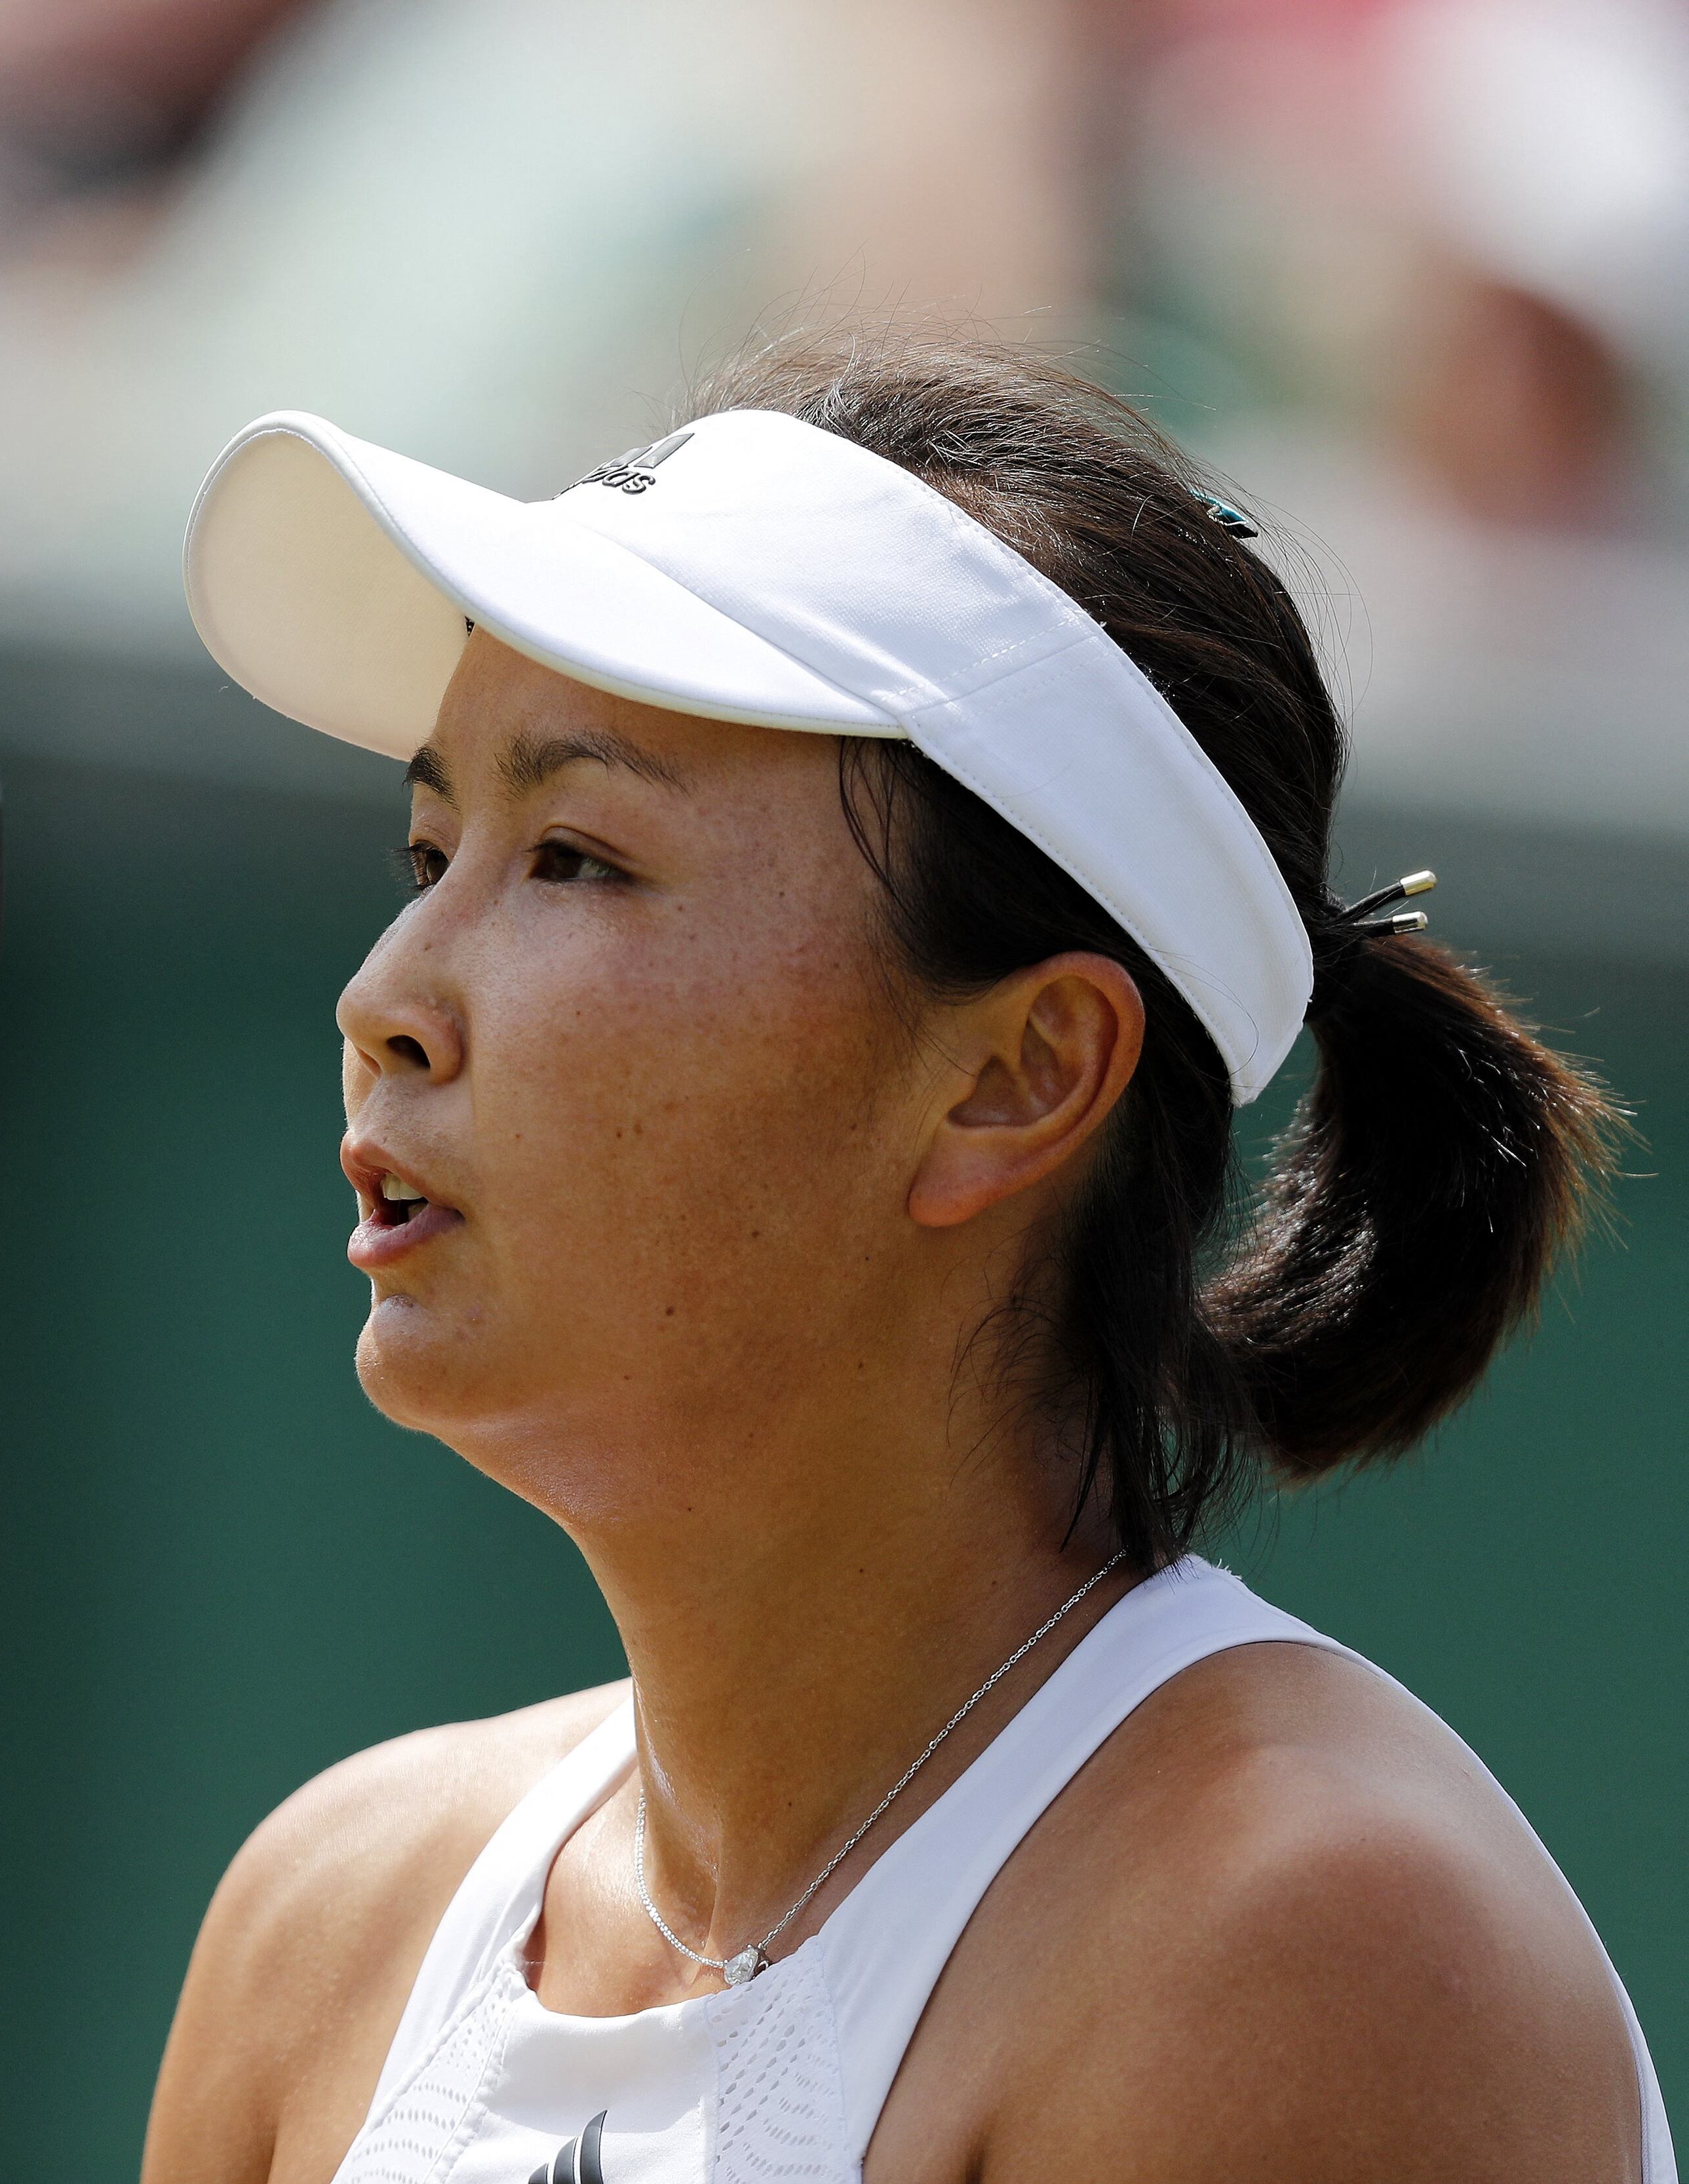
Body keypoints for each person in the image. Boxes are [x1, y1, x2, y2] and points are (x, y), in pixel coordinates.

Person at [145, 332, 1671, 2184]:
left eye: (574, 857)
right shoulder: (332, 1921)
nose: (384, 1000)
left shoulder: (1295, 1941)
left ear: (1016, 1078)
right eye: (427, 847)